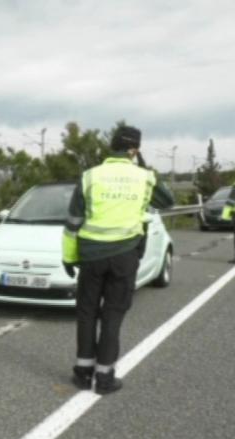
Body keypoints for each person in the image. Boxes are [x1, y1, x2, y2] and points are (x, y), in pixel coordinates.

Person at [62, 124, 174, 395]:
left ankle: (83, 373)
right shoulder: (144, 177)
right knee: (113, 315)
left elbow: (74, 220)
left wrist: (69, 257)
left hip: (91, 255)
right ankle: (104, 378)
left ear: (111, 146)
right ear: (135, 150)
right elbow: (168, 202)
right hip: (125, 255)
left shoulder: (90, 175)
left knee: (87, 313)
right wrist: (146, 169)